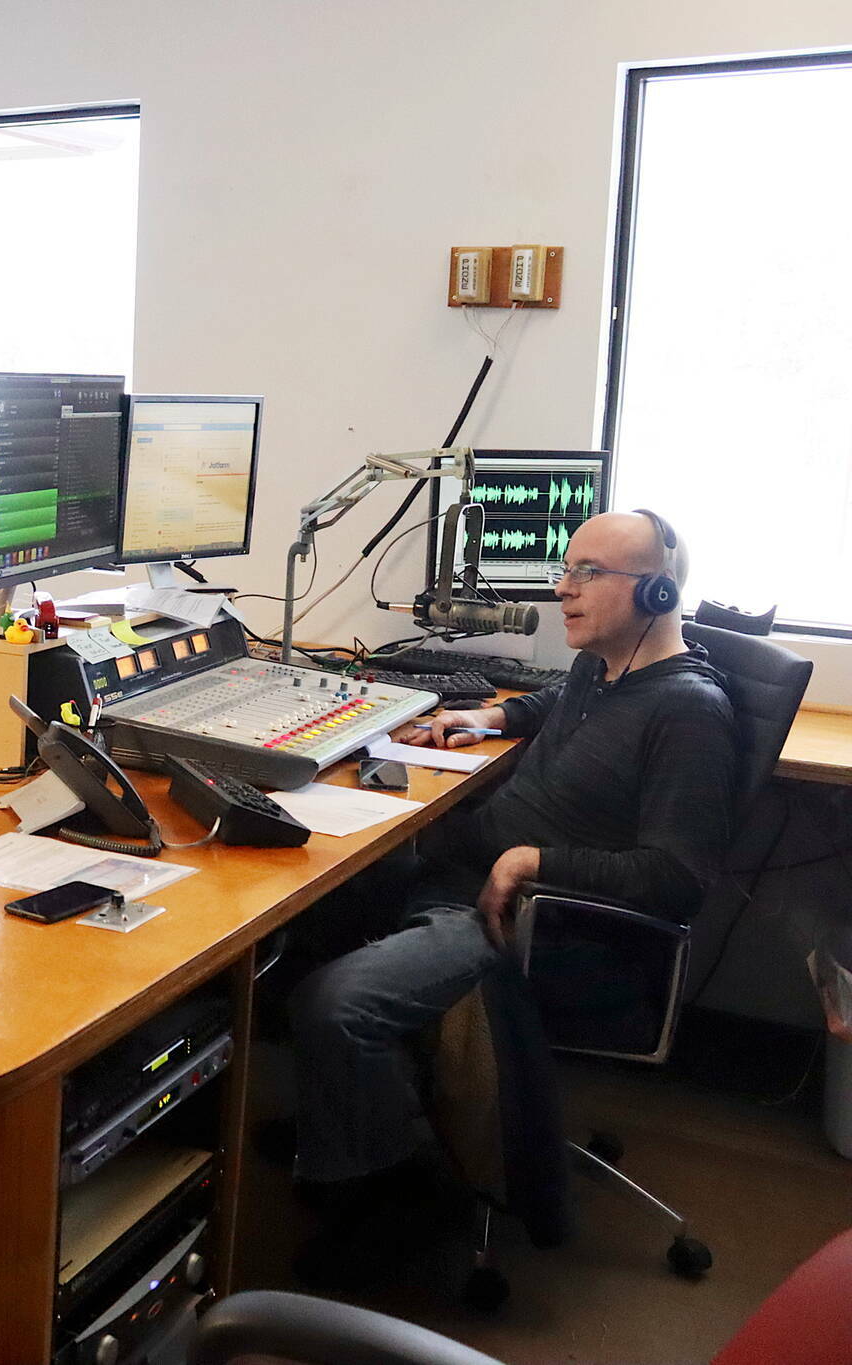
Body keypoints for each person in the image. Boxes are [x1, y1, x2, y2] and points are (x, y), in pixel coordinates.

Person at [283, 509, 737, 1284]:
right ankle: (355, 1121)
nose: (564, 587)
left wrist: (533, 859)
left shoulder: (690, 711)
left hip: (531, 924)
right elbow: (555, 702)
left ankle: (407, 1192)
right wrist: (488, 713)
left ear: (657, 592)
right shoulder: (603, 666)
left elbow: (677, 877)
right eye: (566, 567)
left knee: (336, 1002)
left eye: (589, 573)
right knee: (294, 911)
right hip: (463, 877)